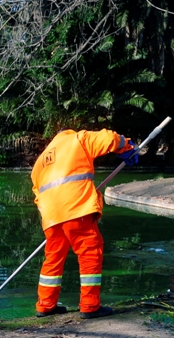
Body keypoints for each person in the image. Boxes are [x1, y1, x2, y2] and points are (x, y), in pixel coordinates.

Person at [30, 129, 139, 319]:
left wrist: (50, 214)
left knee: (53, 258)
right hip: (76, 208)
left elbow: (37, 193)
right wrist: (127, 147)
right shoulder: (78, 139)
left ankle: (45, 305)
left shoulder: (41, 161)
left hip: (51, 216)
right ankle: (90, 306)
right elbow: (109, 138)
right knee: (90, 254)